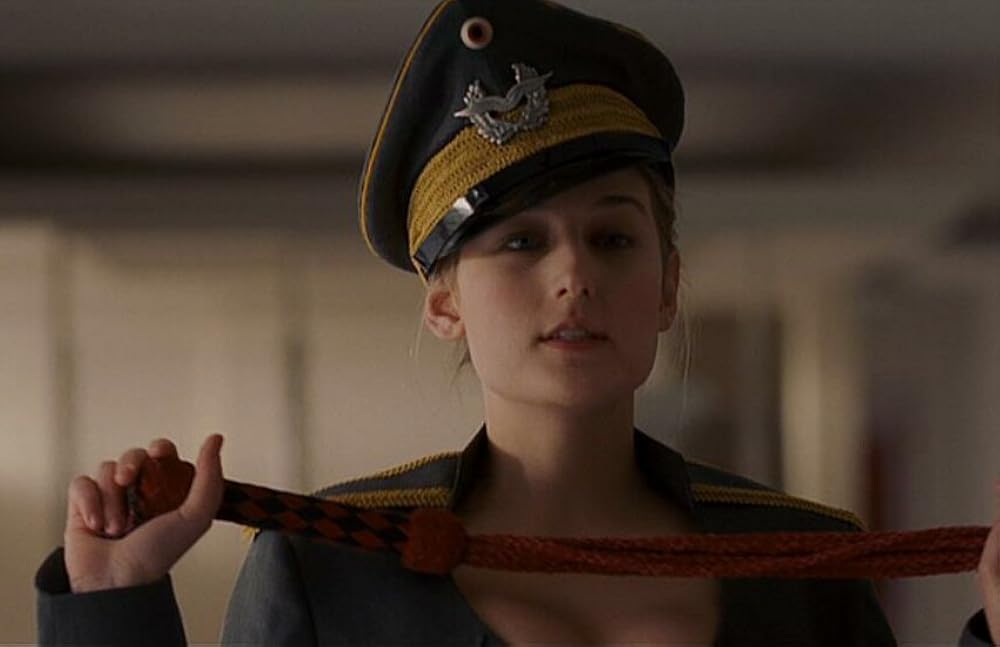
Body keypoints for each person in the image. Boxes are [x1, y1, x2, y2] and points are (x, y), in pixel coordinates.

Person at [34, 0, 999, 644]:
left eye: (612, 239)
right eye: (521, 243)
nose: (573, 273)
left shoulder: (805, 563)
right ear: (444, 303)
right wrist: (112, 605)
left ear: (668, 286)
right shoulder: (329, 563)